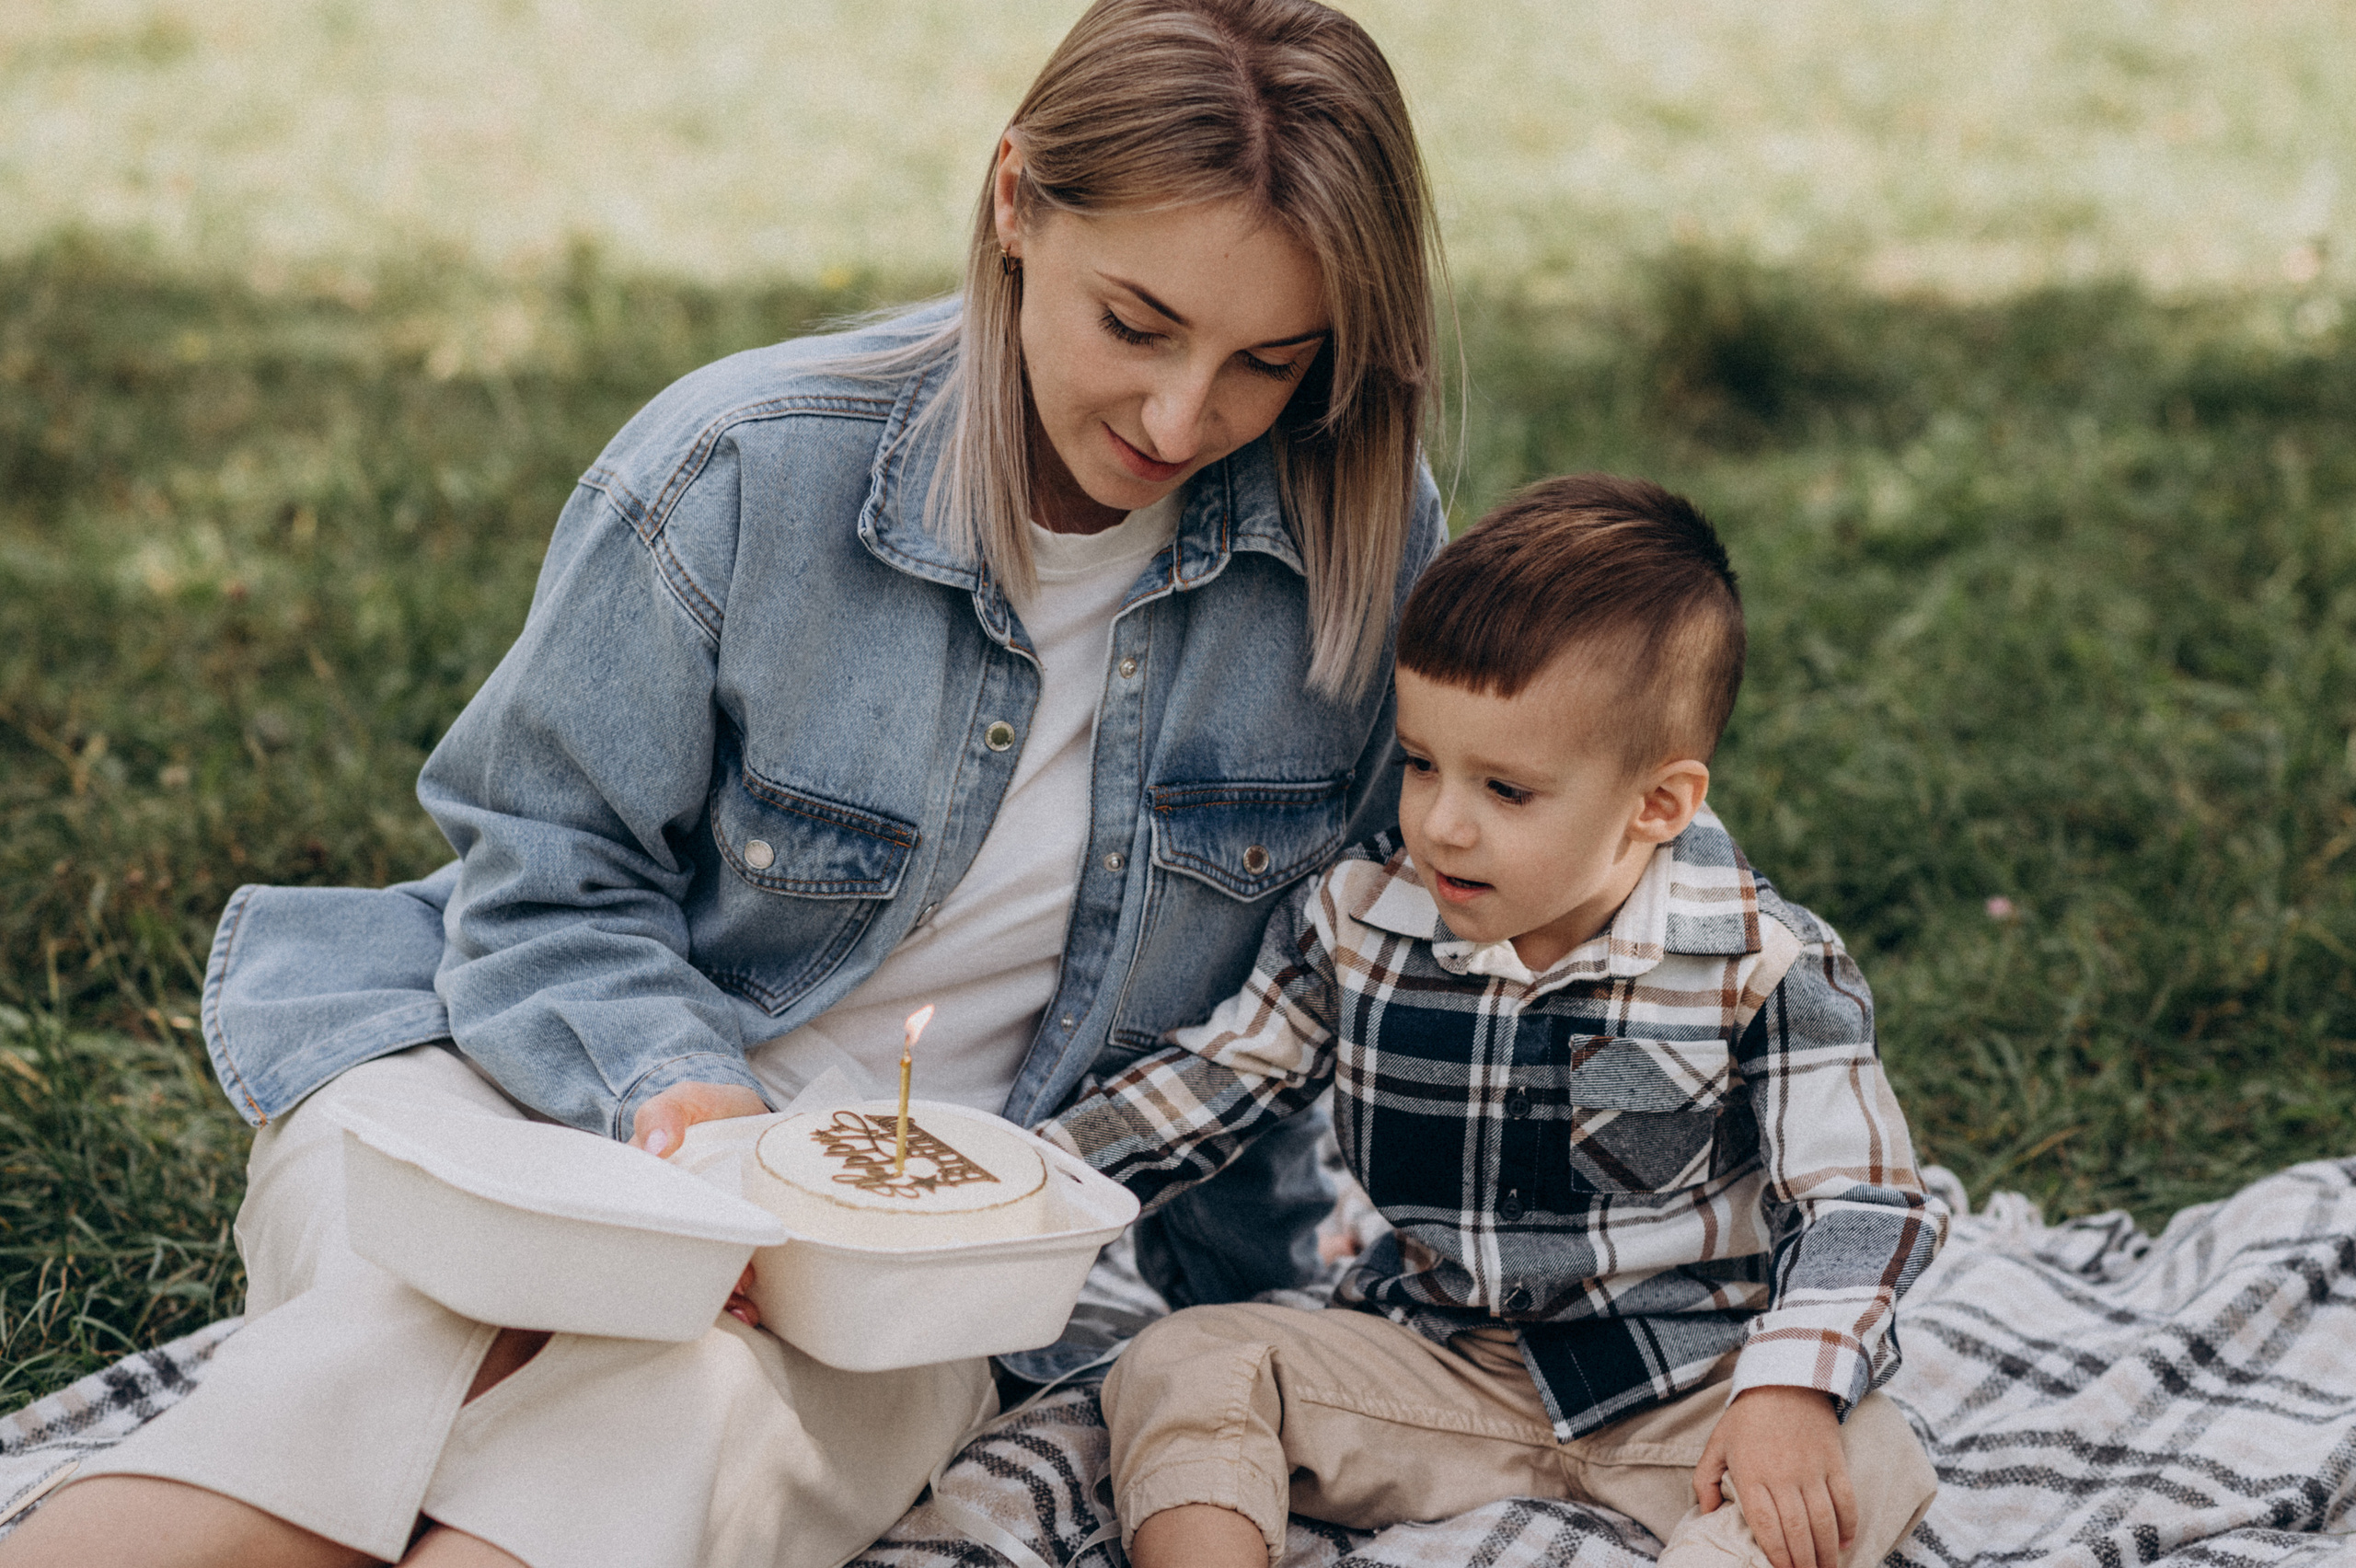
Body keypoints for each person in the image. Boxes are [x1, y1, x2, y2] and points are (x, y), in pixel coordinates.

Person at [0, 4, 1447, 1566]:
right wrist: (696, 1132)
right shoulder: (746, 464)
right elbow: (543, 871)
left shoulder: (1354, 548)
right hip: (531, 1074)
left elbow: (1331, 974)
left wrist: (1251, 1301)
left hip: (916, 1247)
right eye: (1138, 324)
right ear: (1015, 203)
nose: (1184, 418)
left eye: (1267, 363)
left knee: (690, 1409)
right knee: (406, 1336)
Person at [1041, 475, 1951, 1568]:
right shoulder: (1360, 919)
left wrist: (1791, 1387)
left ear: (1657, 805)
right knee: (1184, 1358)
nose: (1441, 825)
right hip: (1438, 1369)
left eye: (1505, 790)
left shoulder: (1765, 965)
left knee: (1870, 1459)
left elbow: (1858, 1197)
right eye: (1422, 765)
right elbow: (1210, 1086)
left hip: (1687, 1390)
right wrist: (1024, 1184)